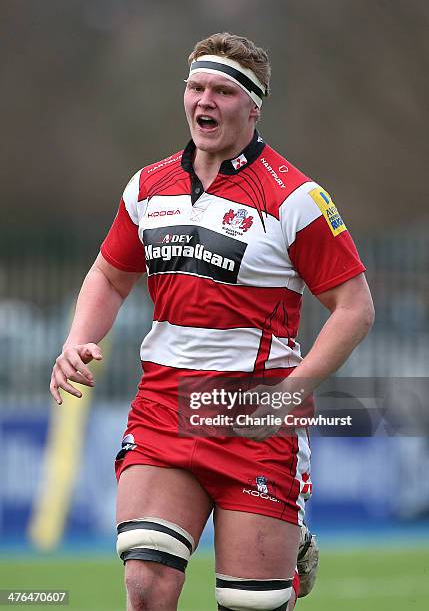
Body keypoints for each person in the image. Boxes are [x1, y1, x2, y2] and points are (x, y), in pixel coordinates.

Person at [50, 32, 374, 611]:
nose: (205, 101)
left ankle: (288, 547)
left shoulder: (296, 197)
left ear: (253, 106)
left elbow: (356, 308)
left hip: (256, 419)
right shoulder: (147, 186)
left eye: (222, 91)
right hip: (164, 407)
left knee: (250, 605)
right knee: (146, 583)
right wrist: (78, 340)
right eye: (196, 87)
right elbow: (108, 274)